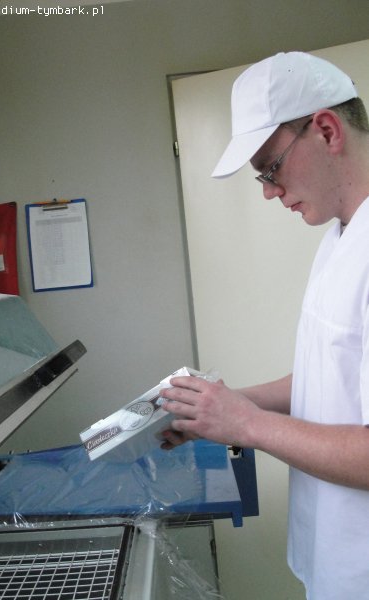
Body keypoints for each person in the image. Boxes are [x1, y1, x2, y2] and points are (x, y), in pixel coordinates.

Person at [159, 51, 369, 600]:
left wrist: (246, 425)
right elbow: (334, 379)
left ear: (327, 130)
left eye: (270, 168)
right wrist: (223, 406)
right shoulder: (342, 234)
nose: (268, 191)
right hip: (333, 556)